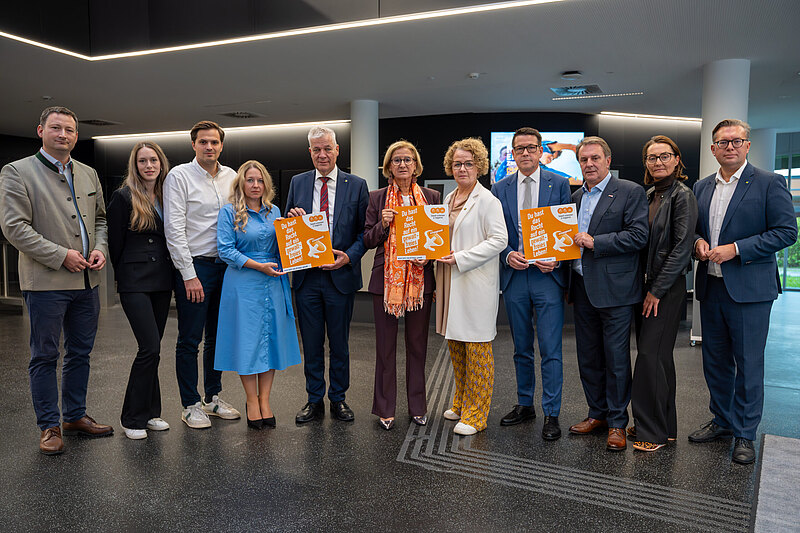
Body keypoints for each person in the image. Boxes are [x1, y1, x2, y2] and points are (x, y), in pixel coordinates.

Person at [0, 106, 113, 455]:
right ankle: (49, 426)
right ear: (40, 131)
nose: (63, 134)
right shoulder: (17, 172)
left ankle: (74, 416)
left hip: (87, 282)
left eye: (69, 130)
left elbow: (100, 220)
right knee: (45, 355)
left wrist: (101, 248)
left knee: (80, 353)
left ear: (77, 136)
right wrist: (61, 255)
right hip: (46, 283)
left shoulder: (89, 173)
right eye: (56, 128)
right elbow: (15, 228)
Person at [690, 119, 797, 464]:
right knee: (715, 362)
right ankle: (722, 421)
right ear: (713, 149)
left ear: (747, 146)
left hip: (750, 291)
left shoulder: (769, 182)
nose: (730, 147)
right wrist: (698, 242)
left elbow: (786, 232)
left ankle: (745, 433)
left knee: (749, 365)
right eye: (723, 142)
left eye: (737, 141)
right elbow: (693, 230)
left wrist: (736, 249)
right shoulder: (701, 187)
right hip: (711, 285)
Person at [567, 136, 648, 452]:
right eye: (584, 159)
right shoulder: (575, 197)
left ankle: (617, 422)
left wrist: (596, 242)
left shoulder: (630, 192)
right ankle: (597, 414)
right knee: (588, 357)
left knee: (616, 359)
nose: (589, 164)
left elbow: (638, 236)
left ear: (608, 161)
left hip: (616, 291)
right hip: (582, 287)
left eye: (595, 158)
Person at [491, 127, 571, 440]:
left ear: (540, 151)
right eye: (519, 148)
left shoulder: (559, 183)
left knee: (550, 349)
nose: (525, 153)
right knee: (521, 348)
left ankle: (552, 412)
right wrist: (506, 254)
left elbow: (567, 229)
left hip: (547, 277)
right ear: (512, 153)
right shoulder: (500, 188)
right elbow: (494, 232)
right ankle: (525, 404)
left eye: (531, 147)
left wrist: (558, 259)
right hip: (515, 276)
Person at [285, 126, 369, 423]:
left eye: (327, 149)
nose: (322, 154)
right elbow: (286, 227)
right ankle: (314, 399)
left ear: (337, 150)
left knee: (339, 344)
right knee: (311, 343)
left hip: (340, 277)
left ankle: (338, 399)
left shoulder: (356, 185)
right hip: (307, 277)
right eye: (317, 149)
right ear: (310, 152)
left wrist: (349, 257)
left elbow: (364, 232)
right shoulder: (298, 182)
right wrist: (292, 220)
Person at [164, 120, 241, 429]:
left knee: (218, 337)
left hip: (227, 267)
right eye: (203, 142)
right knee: (190, 339)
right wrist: (188, 274)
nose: (209, 147)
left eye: (214, 142)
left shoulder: (232, 176)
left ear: (221, 145)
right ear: (193, 145)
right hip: (196, 267)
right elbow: (174, 229)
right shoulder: (179, 176)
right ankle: (190, 404)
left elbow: (243, 217)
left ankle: (212, 397)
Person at [215, 161, 302, 430]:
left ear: (267, 184)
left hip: (273, 282)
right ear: (241, 183)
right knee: (248, 342)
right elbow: (225, 250)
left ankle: (265, 400)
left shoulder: (274, 211)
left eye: (260, 180)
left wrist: (296, 229)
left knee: (270, 341)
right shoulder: (229, 212)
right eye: (250, 180)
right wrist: (258, 265)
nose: (255, 185)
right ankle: (251, 401)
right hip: (243, 283)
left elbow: (283, 248)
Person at [363, 141, 440, 430]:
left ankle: (418, 407)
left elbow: (438, 238)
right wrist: (382, 225)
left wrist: (429, 256)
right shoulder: (377, 198)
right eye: (397, 160)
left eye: (408, 159)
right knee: (385, 348)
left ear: (416, 165)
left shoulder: (431, 197)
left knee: (418, 346)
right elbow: (367, 239)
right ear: (388, 167)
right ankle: (385, 409)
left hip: (420, 282)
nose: (403, 164)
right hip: (386, 282)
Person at [629, 135, 698, 452]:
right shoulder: (648, 195)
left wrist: (656, 291)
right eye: (652, 157)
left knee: (649, 357)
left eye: (664, 156)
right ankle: (665, 427)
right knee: (659, 359)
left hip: (665, 290)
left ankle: (652, 432)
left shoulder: (683, 196)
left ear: (677, 159)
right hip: (646, 287)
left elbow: (682, 250)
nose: (658, 162)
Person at [436, 137, 508, 436]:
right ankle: (461, 402)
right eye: (457, 164)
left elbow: (500, 240)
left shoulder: (488, 201)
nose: (462, 169)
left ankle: (477, 415)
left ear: (479, 166)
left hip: (473, 282)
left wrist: (462, 258)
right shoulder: (447, 199)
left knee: (477, 349)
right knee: (456, 346)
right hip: (450, 281)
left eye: (468, 163)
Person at [107, 142, 174, 440]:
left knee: (154, 348)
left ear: (161, 163)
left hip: (162, 280)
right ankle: (132, 417)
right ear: (135, 165)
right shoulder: (123, 197)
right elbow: (115, 245)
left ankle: (151, 412)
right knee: (149, 348)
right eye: (143, 161)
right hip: (134, 282)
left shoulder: (168, 195)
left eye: (154, 160)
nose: (149, 166)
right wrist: (126, 275)